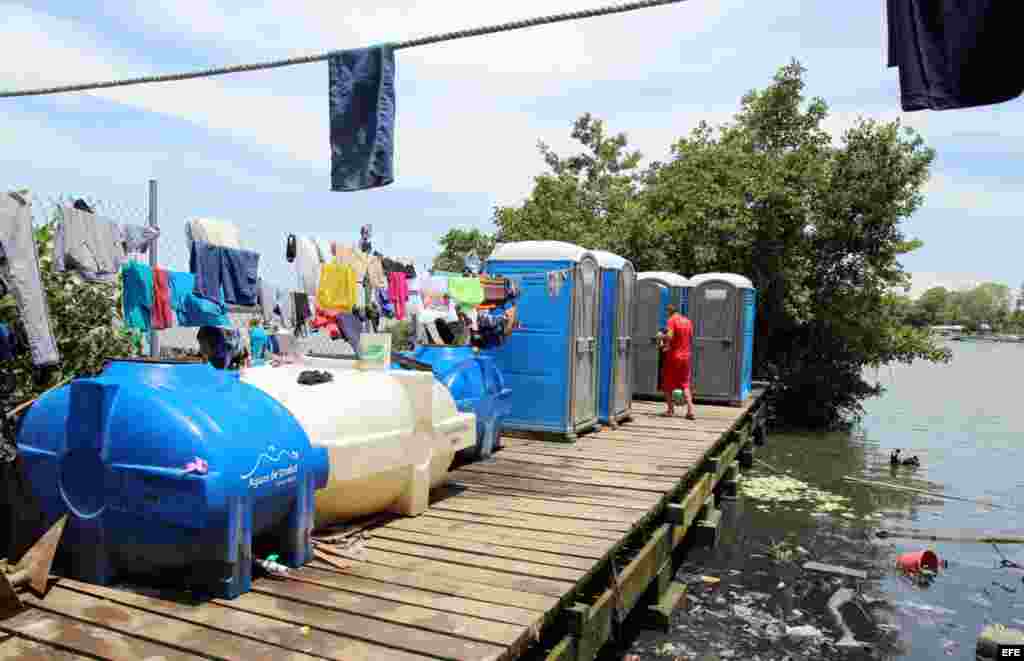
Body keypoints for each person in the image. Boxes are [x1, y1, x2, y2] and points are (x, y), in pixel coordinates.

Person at [659, 303, 695, 419]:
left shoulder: (671, 320)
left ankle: (670, 410)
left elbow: (670, 336)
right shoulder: (688, 321)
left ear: (669, 312)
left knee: (667, 383)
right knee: (685, 383)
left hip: (674, 356)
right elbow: (689, 338)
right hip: (686, 356)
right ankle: (690, 410)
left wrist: (661, 336)